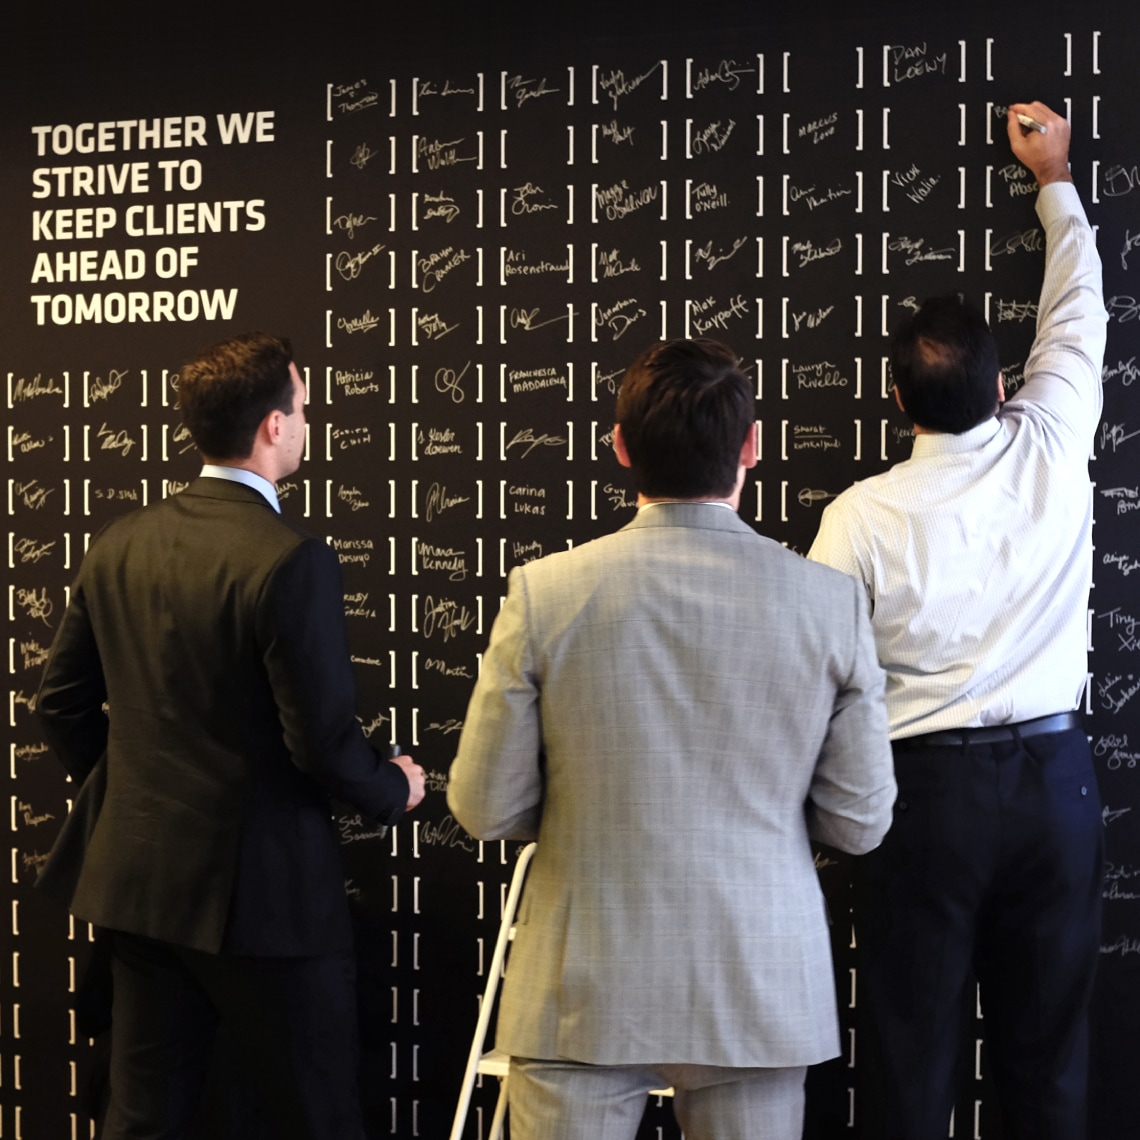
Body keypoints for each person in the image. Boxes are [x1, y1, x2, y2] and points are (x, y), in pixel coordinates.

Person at [447, 337, 897, 1140]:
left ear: (620, 448)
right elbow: (859, 821)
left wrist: (580, 815)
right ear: (752, 446)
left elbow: (484, 806)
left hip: (580, 979)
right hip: (757, 978)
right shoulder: (829, 604)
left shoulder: (544, 593)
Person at [36, 331, 425, 1140]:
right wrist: (394, 785)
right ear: (274, 425)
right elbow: (321, 742)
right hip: (269, 902)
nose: (308, 422)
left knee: (141, 1121)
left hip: (142, 888)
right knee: (319, 1117)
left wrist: (137, 791)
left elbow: (61, 704)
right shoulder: (290, 558)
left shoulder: (119, 543)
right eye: (304, 408)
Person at [808, 101, 1106, 1139]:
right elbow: (1078, 315)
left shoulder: (858, 517)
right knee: (1049, 1063)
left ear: (898, 403)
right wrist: (1054, 178)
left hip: (920, 800)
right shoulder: (1052, 440)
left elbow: (820, 677)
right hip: (1055, 785)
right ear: (1005, 384)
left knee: (908, 1056)